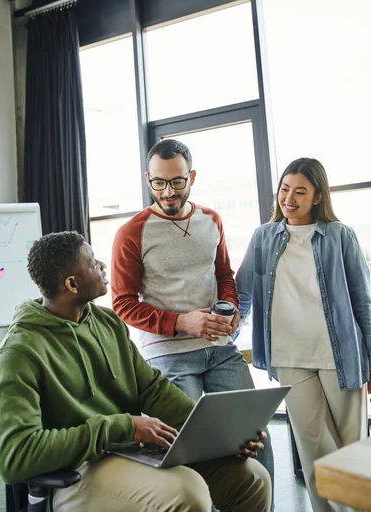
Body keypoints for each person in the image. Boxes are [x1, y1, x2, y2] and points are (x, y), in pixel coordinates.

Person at [0, 231, 271, 512]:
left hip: (131, 452)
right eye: (91, 262)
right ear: (72, 284)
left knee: (251, 478)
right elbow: (14, 457)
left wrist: (218, 435)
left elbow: (152, 390)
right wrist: (123, 426)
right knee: (187, 491)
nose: (101, 265)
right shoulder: (20, 351)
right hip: (76, 471)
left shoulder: (106, 322)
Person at [111, 138, 274, 487]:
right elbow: (122, 303)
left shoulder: (211, 220)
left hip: (219, 349)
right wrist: (183, 322)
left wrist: (228, 311)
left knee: (256, 438)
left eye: (176, 181)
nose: (168, 191)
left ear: (192, 177)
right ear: (148, 179)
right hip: (167, 355)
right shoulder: (130, 233)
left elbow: (223, 276)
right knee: (193, 452)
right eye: (159, 182)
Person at [235, 157, 371, 512]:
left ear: (317, 196)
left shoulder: (340, 236)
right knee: (314, 453)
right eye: (284, 189)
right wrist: (227, 333)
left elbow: (364, 303)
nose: (289, 198)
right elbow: (243, 293)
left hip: (341, 356)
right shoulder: (263, 238)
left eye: (300, 191)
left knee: (351, 453)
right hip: (290, 357)